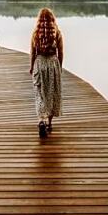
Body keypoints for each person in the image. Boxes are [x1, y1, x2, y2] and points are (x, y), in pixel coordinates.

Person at [29, 8, 63, 138]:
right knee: (52, 93)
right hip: (53, 64)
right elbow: (61, 52)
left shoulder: (36, 33)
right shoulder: (57, 33)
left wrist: (32, 67)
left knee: (40, 93)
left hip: (40, 63)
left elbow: (33, 52)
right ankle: (49, 123)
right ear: (52, 19)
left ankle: (41, 121)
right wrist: (59, 67)